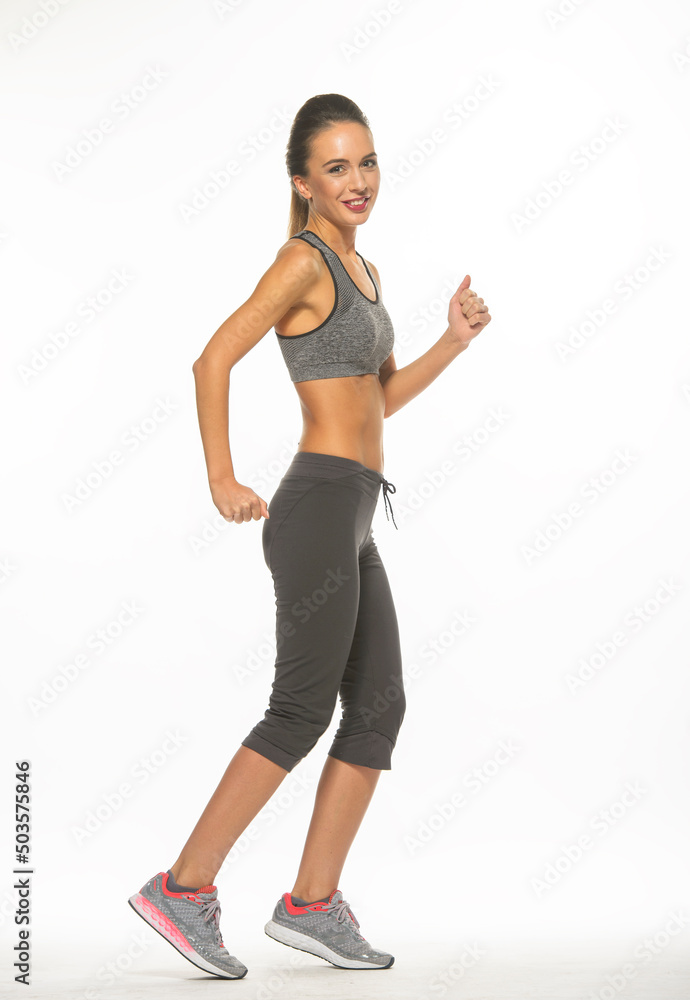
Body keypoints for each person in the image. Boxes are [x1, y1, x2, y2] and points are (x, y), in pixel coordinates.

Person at [127, 93, 491, 980]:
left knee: (376, 708)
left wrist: (451, 342)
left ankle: (312, 905)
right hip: (317, 506)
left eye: (365, 162)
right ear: (303, 182)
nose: (357, 180)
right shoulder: (303, 261)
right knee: (299, 711)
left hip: (356, 507)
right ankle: (183, 887)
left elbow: (378, 399)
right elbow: (212, 358)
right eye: (335, 167)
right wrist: (221, 475)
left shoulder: (364, 271)